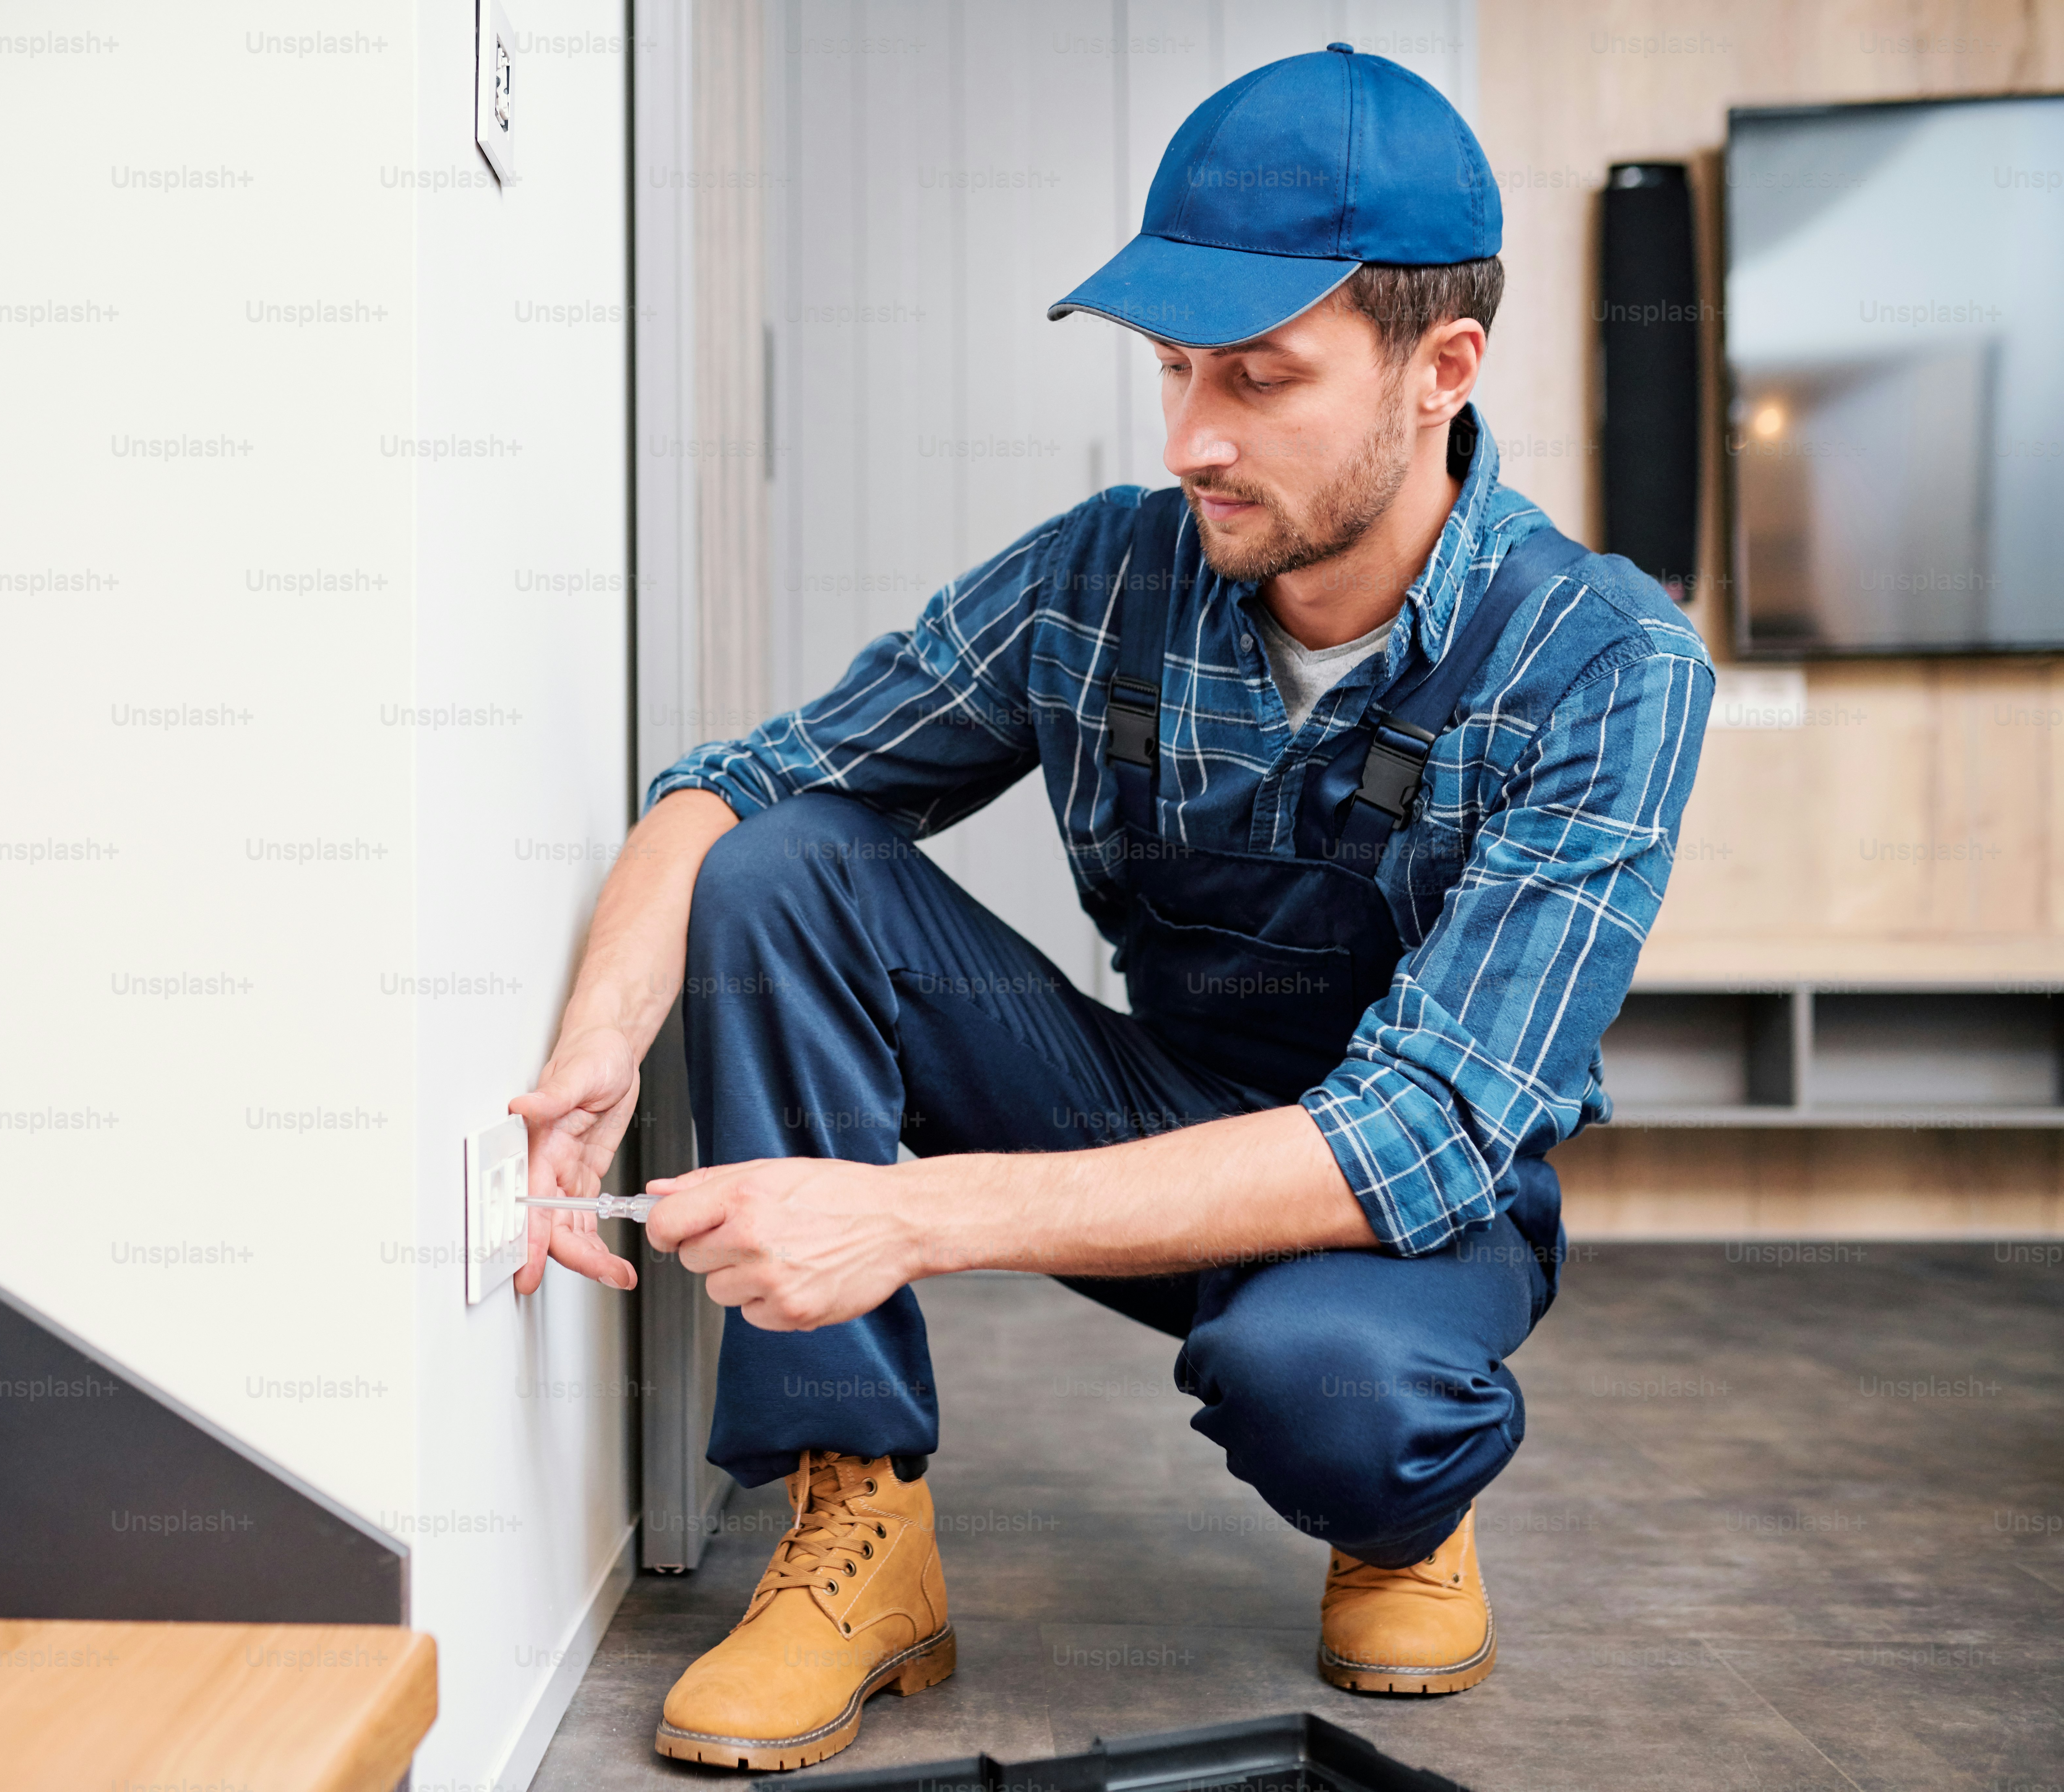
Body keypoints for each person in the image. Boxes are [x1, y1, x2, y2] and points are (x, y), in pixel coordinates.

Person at [509, 42, 1715, 1774]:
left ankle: (1402, 1519)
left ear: (1442, 368)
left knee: (1336, 1389)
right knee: (787, 870)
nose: (1192, 437)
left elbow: (1427, 1131)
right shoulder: (1111, 573)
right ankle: (862, 1525)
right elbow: (740, 786)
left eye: (1258, 376)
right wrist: (597, 1049)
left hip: (1413, 1214)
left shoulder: (1602, 665)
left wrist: (909, 1221)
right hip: (1161, 1105)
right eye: (1170, 369)